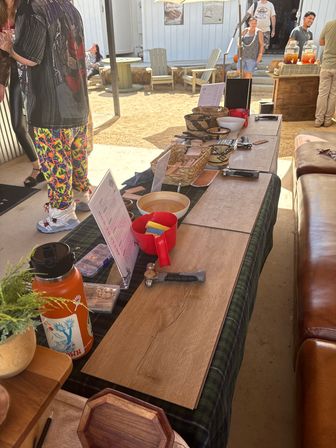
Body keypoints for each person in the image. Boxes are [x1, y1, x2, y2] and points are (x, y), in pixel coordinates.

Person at [0, 0, 91, 233]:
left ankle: (62, 214)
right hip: (77, 100)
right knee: (76, 153)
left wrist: (9, 47)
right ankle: (82, 196)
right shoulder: (68, 6)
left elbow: (31, 57)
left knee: (55, 162)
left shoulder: (31, 8)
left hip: (50, 107)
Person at [0, 0, 44, 187]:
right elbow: (2, 54)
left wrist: (13, 44)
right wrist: (1, 83)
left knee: (41, 123)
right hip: (15, 73)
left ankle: (52, 166)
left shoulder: (27, 8)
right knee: (18, 125)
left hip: (36, 71)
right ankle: (37, 167)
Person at [314, 19, 336, 128]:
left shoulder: (329, 24)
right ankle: (327, 121)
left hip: (327, 64)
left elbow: (321, 42)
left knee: (322, 93)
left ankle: (318, 120)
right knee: (333, 94)